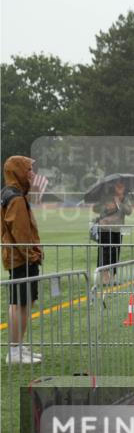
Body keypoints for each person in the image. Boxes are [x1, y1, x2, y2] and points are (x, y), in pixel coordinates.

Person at [1, 156, 44, 365]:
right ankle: (15, 351)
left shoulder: (16, 195)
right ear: (18, 171)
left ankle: (18, 346)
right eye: (28, 170)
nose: (32, 174)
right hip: (21, 259)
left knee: (24, 302)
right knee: (19, 303)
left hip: (20, 257)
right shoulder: (16, 198)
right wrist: (32, 255)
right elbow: (20, 233)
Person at [93, 179, 133, 285]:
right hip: (104, 229)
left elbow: (129, 212)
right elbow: (95, 208)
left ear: (124, 188)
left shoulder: (125, 199)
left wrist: (119, 202)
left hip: (118, 229)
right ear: (114, 187)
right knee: (104, 252)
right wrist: (105, 207)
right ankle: (105, 277)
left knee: (115, 253)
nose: (120, 188)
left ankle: (113, 276)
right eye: (118, 186)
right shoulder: (106, 196)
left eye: (122, 186)